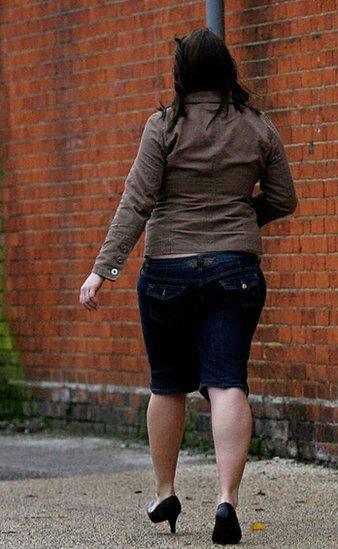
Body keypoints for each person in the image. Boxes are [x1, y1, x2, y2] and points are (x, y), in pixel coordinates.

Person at [77, 28, 297, 545]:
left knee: (168, 383)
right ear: (227, 72)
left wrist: (102, 270)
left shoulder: (163, 127)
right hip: (235, 271)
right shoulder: (257, 127)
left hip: (167, 272)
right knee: (227, 381)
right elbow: (284, 198)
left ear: (181, 75)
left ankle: (166, 490)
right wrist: (241, 219)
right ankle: (226, 502)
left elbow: (137, 202)